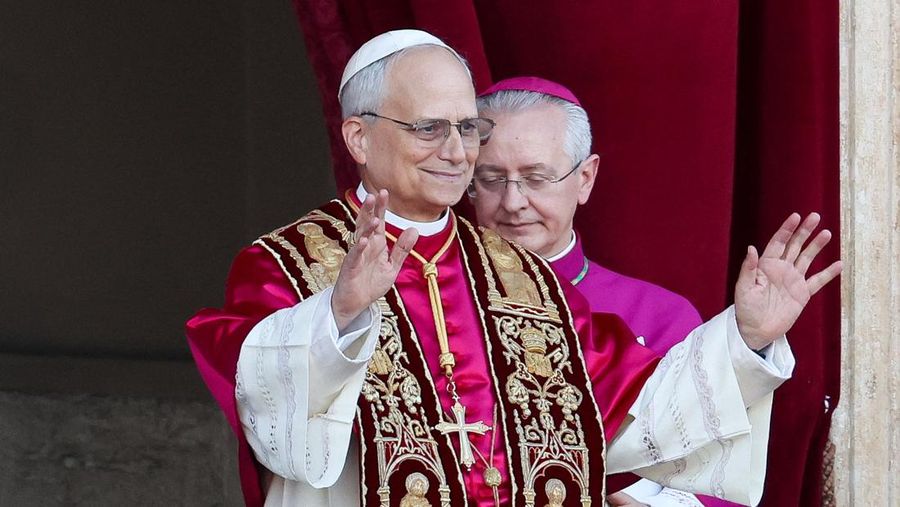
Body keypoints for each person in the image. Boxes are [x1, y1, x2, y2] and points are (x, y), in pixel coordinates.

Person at [185, 29, 841, 507]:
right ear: (359, 136)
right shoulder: (287, 263)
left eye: (468, 129)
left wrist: (747, 337)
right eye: (428, 128)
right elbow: (266, 415)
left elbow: (637, 413)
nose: (455, 152)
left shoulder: (522, 277)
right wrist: (339, 317)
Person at [470, 77, 739, 506]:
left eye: (536, 178)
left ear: (585, 178)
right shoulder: (438, 305)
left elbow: (714, 477)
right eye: (491, 179)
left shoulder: (662, 318)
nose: (513, 201)